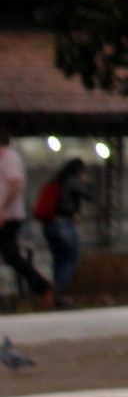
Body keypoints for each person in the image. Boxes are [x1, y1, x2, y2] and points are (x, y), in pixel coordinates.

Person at [0, 130, 52, 307]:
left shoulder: (9, 158)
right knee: (10, 255)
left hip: (9, 216)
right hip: (6, 214)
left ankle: (42, 286)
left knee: (11, 255)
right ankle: (41, 286)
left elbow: (15, 186)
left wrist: (3, 210)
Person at [39, 157, 92, 305]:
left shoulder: (57, 180)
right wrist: (86, 182)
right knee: (71, 258)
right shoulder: (72, 180)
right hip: (64, 223)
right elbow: (89, 195)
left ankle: (53, 293)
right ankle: (57, 290)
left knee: (59, 259)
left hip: (49, 224)